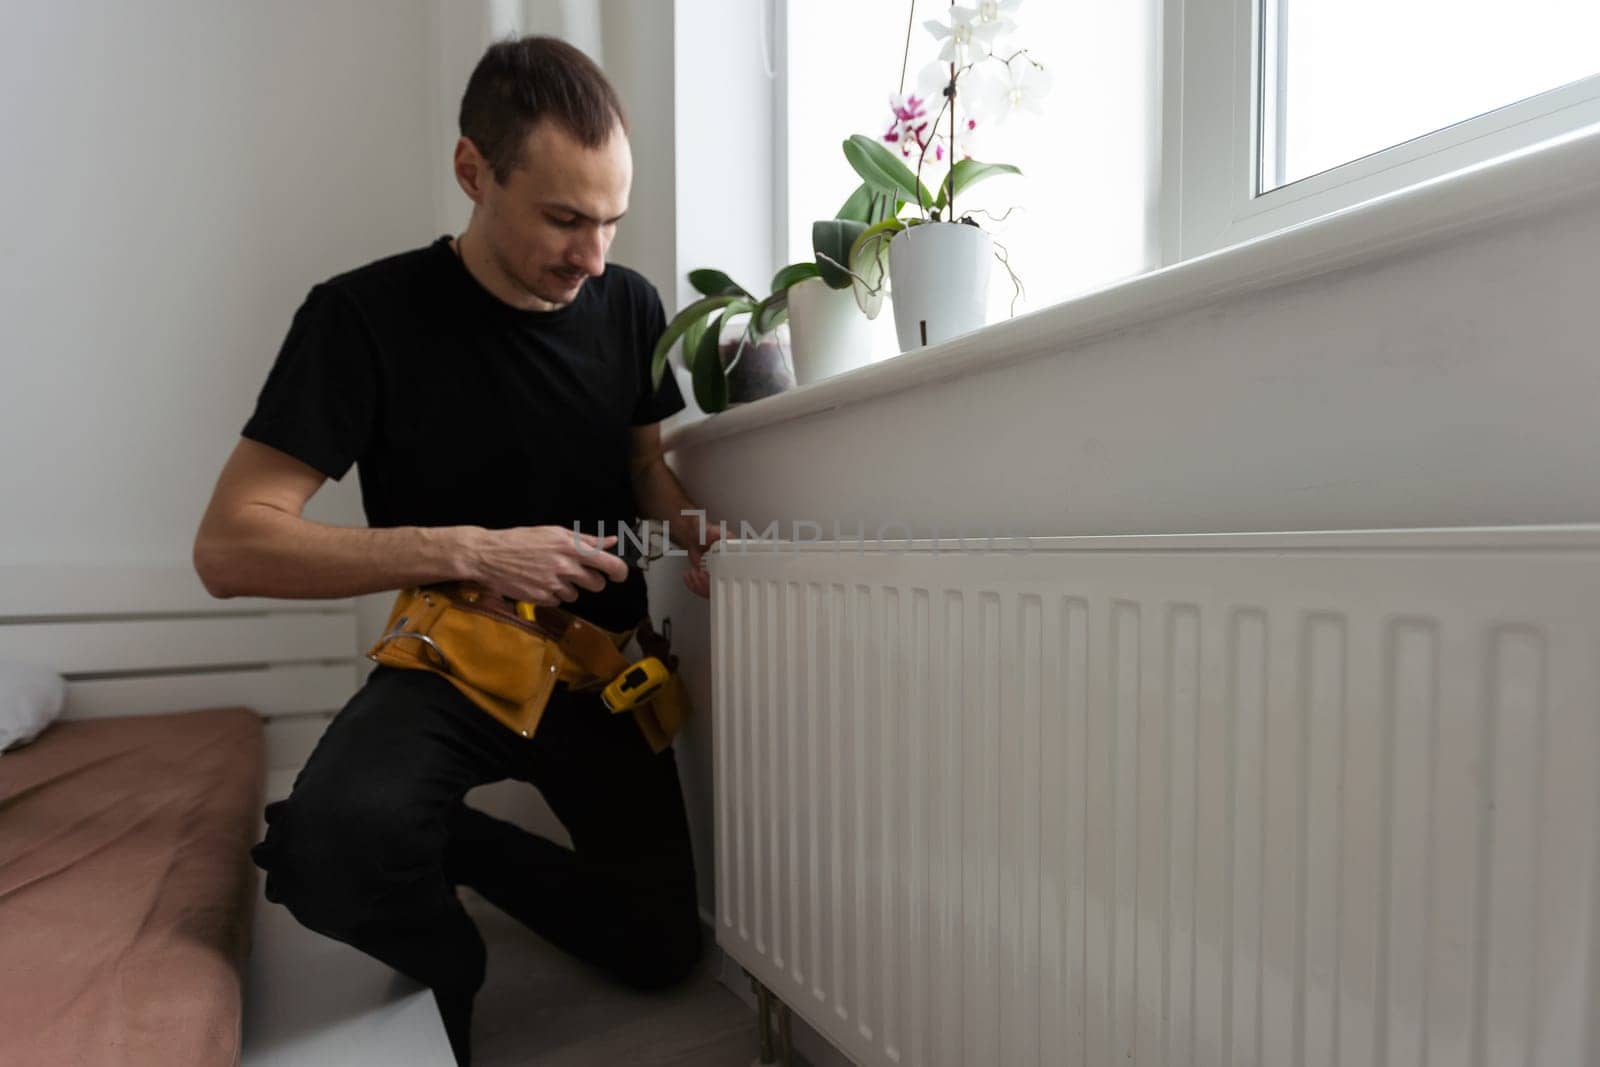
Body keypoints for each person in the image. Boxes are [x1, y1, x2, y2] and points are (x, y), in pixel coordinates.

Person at [192, 35, 721, 1066]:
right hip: (453, 657)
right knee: (320, 851)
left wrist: (699, 526)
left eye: (611, 220)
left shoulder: (632, 305)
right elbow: (229, 544)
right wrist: (474, 550)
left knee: (662, 951)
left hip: (600, 672)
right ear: (473, 172)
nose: (594, 257)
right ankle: (453, 961)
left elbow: (644, 470)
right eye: (565, 219)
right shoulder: (361, 317)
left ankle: (462, 844)